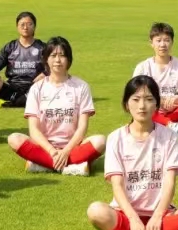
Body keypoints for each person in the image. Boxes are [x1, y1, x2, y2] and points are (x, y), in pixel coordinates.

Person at [87, 75, 178, 230]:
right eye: (136, 99)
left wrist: (157, 216)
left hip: (161, 214)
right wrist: (133, 218)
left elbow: (170, 182)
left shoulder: (169, 136)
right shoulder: (115, 138)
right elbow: (117, 185)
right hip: (125, 213)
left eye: (149, 99)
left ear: (157, 105)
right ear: (126, 104)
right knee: (96, 211)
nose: (142, 106)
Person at [8, 36, 105, 176]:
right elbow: (34, 130)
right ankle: (72, 167)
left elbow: (82, 127)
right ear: (46, 59)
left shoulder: (81, 86)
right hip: (44, 146)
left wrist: (66, 151)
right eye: (53, 55)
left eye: (62, 55)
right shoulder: (37, 88)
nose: (58, 60)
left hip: (73, 146)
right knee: (14, 139)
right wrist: (52, 151)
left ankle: (43, 164)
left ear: (69, 59)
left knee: (101, 141)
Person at [0, 11, 46, 109]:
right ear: (17, 27)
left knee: (48, 81)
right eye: (22, 24)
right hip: (12, 87)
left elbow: (54, 67)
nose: (25, 27)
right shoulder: (10, 47)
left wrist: (45, 73)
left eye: (29, 24)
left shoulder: (42, 47)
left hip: (34, 86)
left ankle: (10, 102)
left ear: (34, 26)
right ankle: (23, 101)